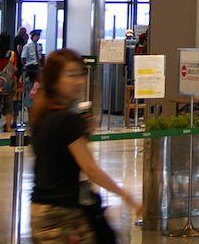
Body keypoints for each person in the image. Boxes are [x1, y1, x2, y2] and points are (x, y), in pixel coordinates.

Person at [30, 49, 141, 243]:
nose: (79, 81)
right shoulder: (67, 119)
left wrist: (83, 134)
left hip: (41, 207)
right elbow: (90, 168)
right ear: (55, 80)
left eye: (81, 74)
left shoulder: (42, 114)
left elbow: (57, 157)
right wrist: (125, 195)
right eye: (71, 75)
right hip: (62, 212)